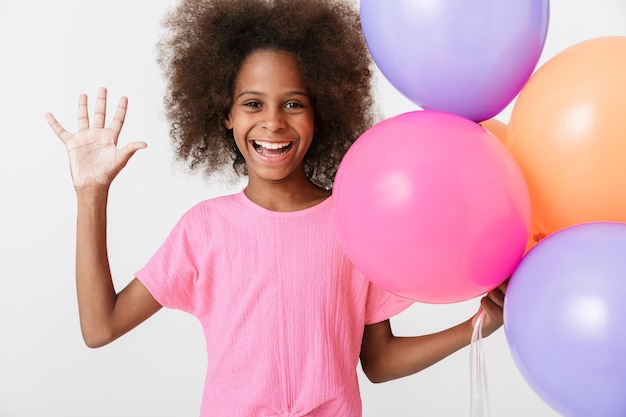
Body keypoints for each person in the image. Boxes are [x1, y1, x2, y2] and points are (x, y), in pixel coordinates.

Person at [46, 0, 506, 415]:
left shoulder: (355, 223)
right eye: (252, 103)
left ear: (319, 111)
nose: (272, 122)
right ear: (225, 113)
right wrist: (92, 192)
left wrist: (477, 325)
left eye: (293, 103)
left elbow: (379, 362)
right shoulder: (204, 230)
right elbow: (100, 327)